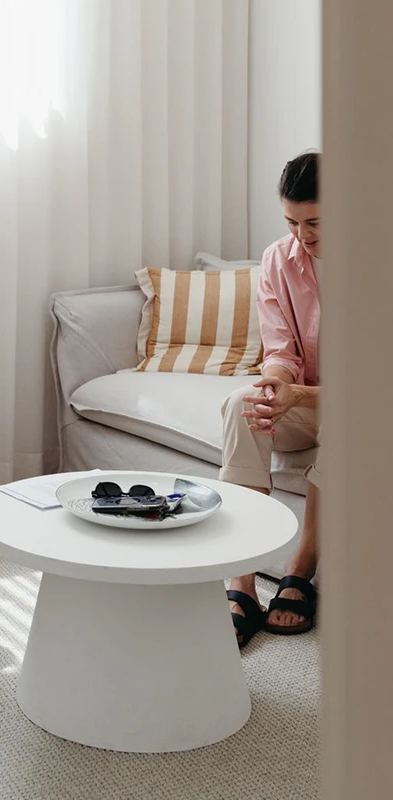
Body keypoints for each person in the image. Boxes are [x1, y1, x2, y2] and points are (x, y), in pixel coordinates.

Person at [220, 152, 321, 648]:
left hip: (365, 408)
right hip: (306, 401)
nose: (302, 235)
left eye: (315, 222)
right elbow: (280, 351)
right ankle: (241, 577)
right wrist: (275, 386)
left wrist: (297, 393)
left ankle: (301, 567)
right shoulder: (278, 259)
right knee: (243, 403)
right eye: (291, 222)